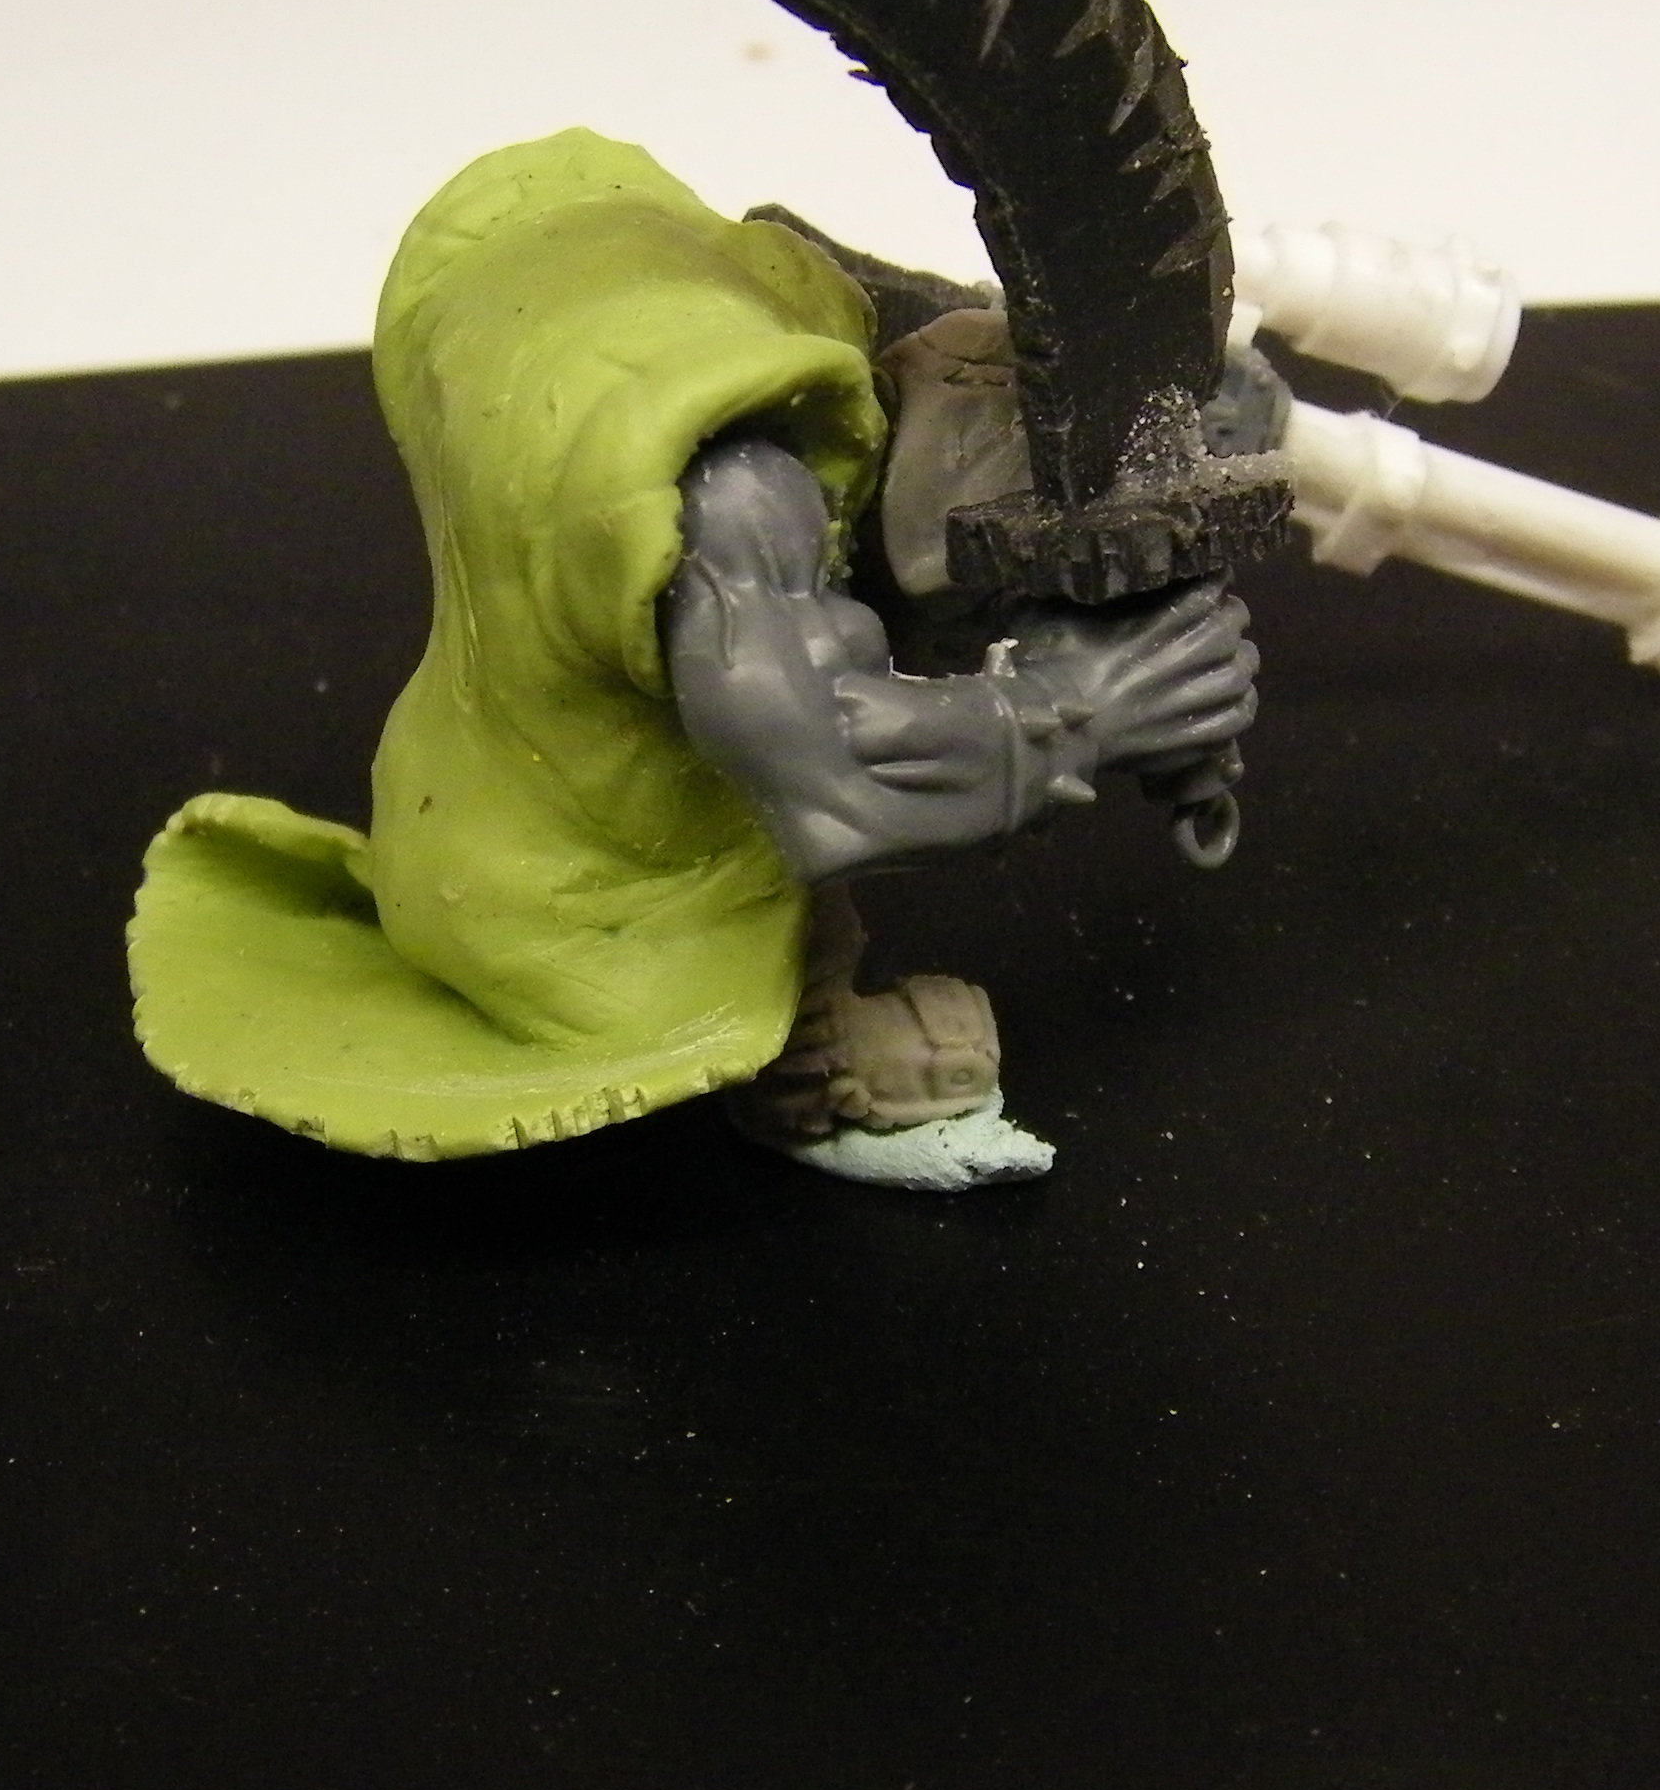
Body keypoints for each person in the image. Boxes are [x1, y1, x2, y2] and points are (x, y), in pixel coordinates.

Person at [129, 128, 1258, 1190]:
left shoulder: (771, 334)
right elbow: (836, 782)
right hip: (569, 913)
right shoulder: (739, 501)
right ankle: (807, 1076)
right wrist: (1086, 707)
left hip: (473, 789)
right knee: (812, 895)